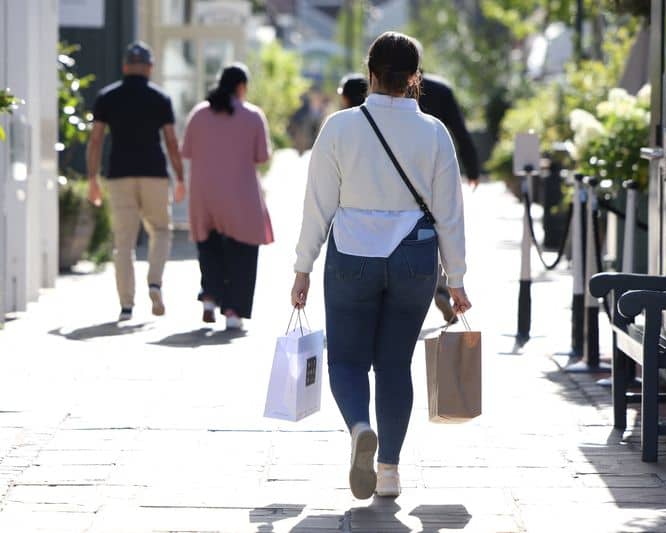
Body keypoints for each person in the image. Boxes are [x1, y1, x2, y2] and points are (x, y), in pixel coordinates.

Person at [290, 32, 471, 499]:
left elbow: (317, 206)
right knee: (395, 364)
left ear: (370, 73)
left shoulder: (339, 127)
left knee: (347, 360)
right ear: (415, 78)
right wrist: (456, 278)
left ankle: (358, 428)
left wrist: (302, 266)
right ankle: (389, 471)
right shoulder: (434, 132)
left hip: (351, 253)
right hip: (414, 256)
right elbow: (450, 212)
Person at [87, 41, 185, 322]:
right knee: (162, 231)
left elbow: (95, 140)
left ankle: (126, 305)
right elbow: (171, 141)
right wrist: (180, 177)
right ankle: (154, 282)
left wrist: (92, 178)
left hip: (119, 175)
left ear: (125, 67)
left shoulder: (107, 97)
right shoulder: (160, 98)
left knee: (124, 243)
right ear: (150, 68)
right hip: (154, 173)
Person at [181, 64, 273, 330]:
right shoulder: (253, 116)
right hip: (240, 194)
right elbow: (262, 157)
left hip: (204, 193)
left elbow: (187, 151)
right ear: (241, 87)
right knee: (242, 251)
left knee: (208, 246)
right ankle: (233, 311)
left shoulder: (198, 114)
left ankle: (209, 296)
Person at [419, 72, 481, 323]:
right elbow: (459, 130)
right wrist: (472, 167)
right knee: (440, 225)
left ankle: (426, 285)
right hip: (437, 168)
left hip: (405, 172)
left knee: (415, 228)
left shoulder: (386, 86)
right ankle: (443, 285)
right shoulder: (441, 89)